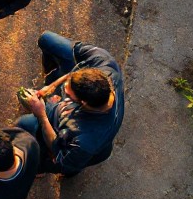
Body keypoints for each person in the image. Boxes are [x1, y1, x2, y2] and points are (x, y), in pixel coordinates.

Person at [16, 32, 124, 177]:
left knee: (24, 125)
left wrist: (41, 115)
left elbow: (58, 152)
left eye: (68, 94)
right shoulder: (104, 64)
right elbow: (76, 73)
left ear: (83, 103)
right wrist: (51, 86)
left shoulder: (84, 140)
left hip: (78, 151)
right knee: (46, 40)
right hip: (87, 139)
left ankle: (41, 169)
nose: (64, 92)